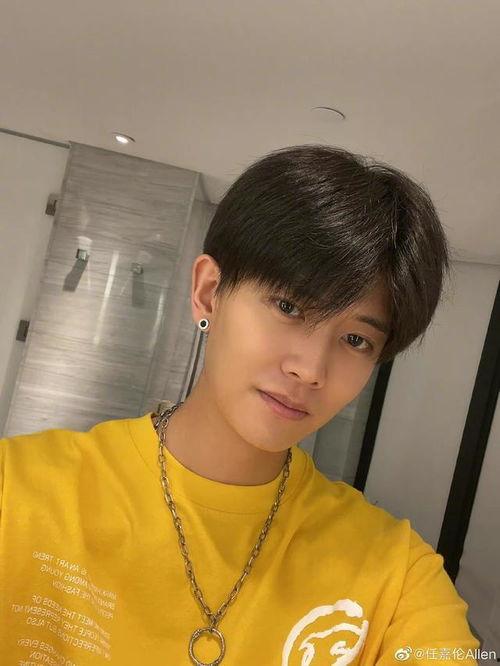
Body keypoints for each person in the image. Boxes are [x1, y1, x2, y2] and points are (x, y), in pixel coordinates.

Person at [0, 144, 480, 665]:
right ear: (209, 293)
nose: (311, 369)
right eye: (289, 306)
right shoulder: (20, 491)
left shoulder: (396, 576)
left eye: (355, 340)